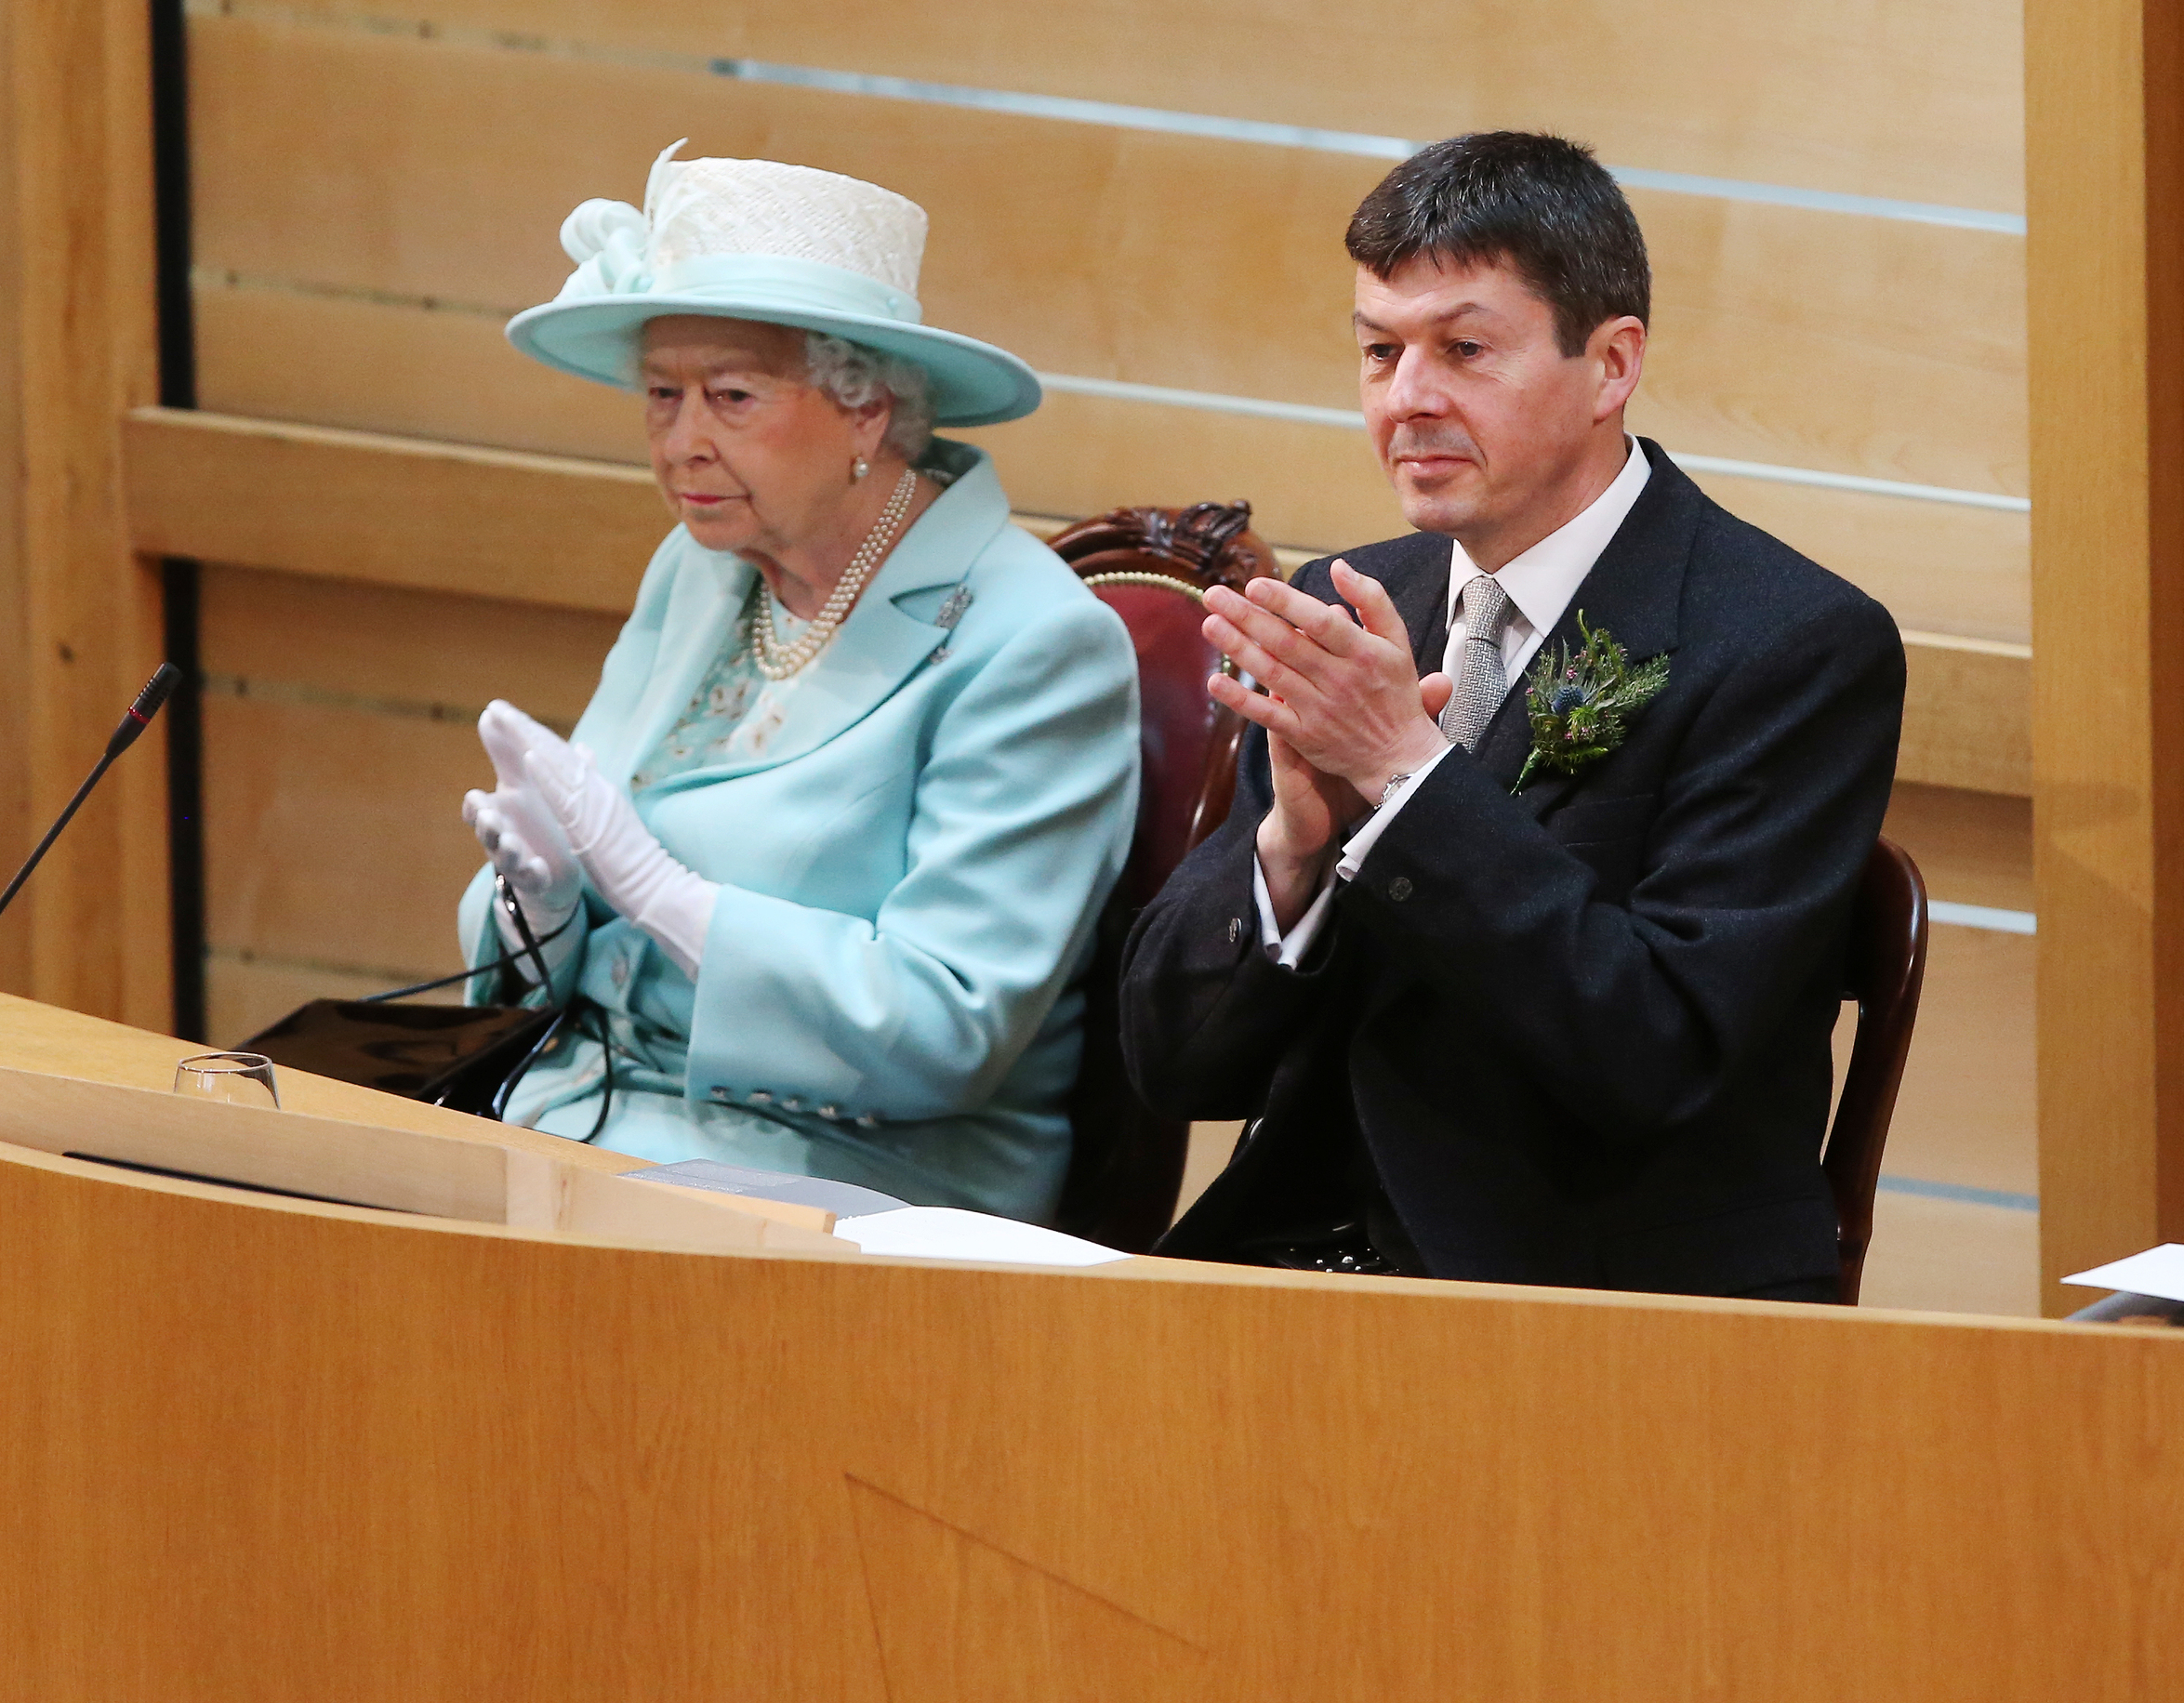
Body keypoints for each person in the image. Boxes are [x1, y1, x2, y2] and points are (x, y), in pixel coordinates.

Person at [1119, 131, 1905, 1297]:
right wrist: (1292, 849)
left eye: (1465, 349)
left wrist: (1406, 777)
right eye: (1380, 351)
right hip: (1286, 1271)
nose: (1409, 398)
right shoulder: (1358, 602)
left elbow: (1659, 1051)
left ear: (1612, 365)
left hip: (1590, 1302)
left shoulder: (1790, 643)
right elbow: (1171, 1069)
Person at [453, 145, 1141, 1221]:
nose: (683, 443)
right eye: (661, 395)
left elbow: (947, 1026)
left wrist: (668, 898)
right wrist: (536, 902)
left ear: (867, 411)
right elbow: (567, 902)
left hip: (853, 1178)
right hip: (577, 1119)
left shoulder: (1037, 641)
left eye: (731, 395)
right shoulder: (699, 568)